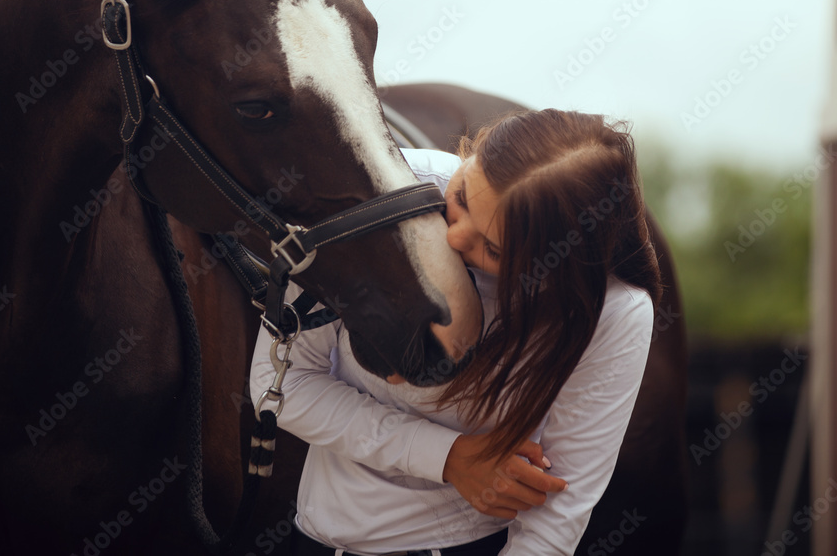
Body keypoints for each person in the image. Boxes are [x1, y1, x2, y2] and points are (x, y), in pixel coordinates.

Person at [250, 109, 662, 555]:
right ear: (475, 149)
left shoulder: (615, 311)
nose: (454, 237)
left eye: (494, 249)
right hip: (314, 541)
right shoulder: (376, 192)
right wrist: (448, 458)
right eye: (462, 197)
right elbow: (280, 384)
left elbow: (561, 509)